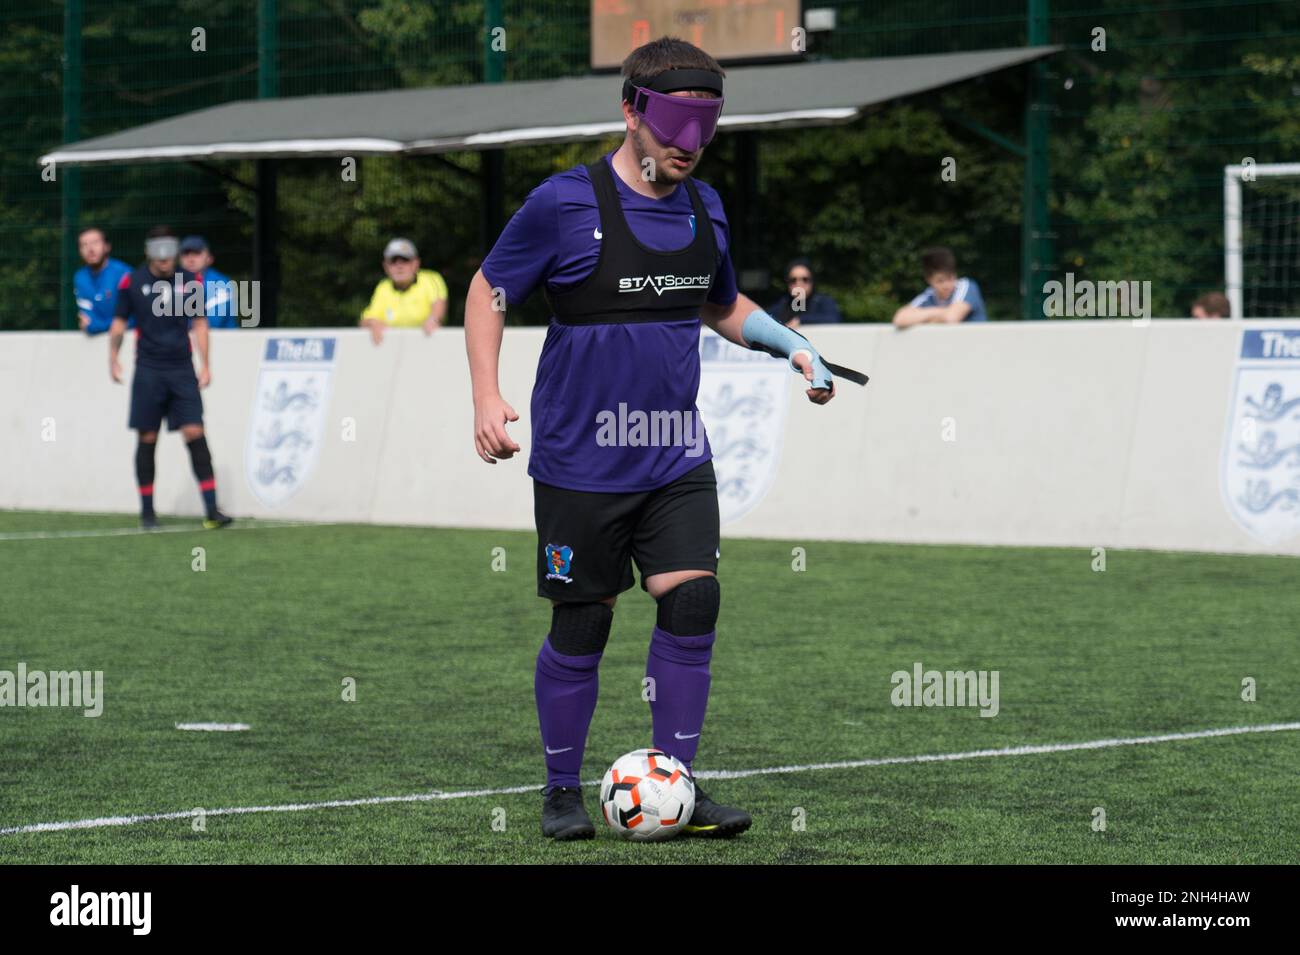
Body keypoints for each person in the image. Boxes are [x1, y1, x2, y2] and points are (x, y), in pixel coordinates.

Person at [465, 36, 839, 841]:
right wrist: (487, 394)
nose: (688, 145)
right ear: (631, 109)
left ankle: (678, 781)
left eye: (704, 128)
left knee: (694, 597)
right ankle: (562, 787)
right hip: (580, 459)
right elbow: (488, 289)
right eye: (673, 124)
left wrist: (793, 345)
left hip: (675, 453)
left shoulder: (707, 208)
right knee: (584, 623)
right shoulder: (563, 203)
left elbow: (720, 303)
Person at [108, 225, 232, 530]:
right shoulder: (132, 282)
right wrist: (112, 357)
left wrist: (206, 364)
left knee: (195, 431)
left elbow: (200, 324)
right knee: (148, 436)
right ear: (149, 250)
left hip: (181, 370)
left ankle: (212, 511)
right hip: (148, 370)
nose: (164, 258)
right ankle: (148, 513)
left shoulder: (190, 282)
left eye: (169, 250)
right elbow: (119, 323)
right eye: (158, 250)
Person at [360, 238, 448, 345]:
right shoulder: (383, 287)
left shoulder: (431, 279)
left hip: (428, 346)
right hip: (392, 350)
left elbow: (438, 305)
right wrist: (372, 323)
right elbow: (365, 320)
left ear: (416, 263)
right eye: (393, 261)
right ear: (385, 266)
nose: (399, 265)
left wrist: (434, 319)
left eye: (405, 260)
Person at [892, 246, 988, 326]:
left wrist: (923, 317)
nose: (947, 285)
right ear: (929, 280)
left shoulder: (966, 286)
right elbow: (900, 319)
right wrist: (942, 313)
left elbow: (951, 318)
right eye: (940, 281)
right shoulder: (928, 295)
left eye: (950, 278)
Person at [74, 227, 132, 335]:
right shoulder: (80, 277)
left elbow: (133, 318)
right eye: (84, 245)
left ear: (107, 246)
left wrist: (96, 326)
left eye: (95, 243)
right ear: (79, 251)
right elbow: (88, 319)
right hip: (95, 345)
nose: (90, 249)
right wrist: (114, 324)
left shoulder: (124, 273)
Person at [178, 235, 238, 328]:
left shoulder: (221, 283)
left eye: (196, 253)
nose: (191, 259)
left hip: (221, 340)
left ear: (209, 258)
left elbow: (211, 323)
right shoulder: (174, 282)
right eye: (186, 254)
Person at [767, 257, 842, 327]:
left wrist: (801, 320)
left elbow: (833, 319)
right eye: (793, 280)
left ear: (812, 281)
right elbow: (765, 321)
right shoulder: (781, 304)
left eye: (805, 279)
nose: (799, 284)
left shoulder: (824, 302)